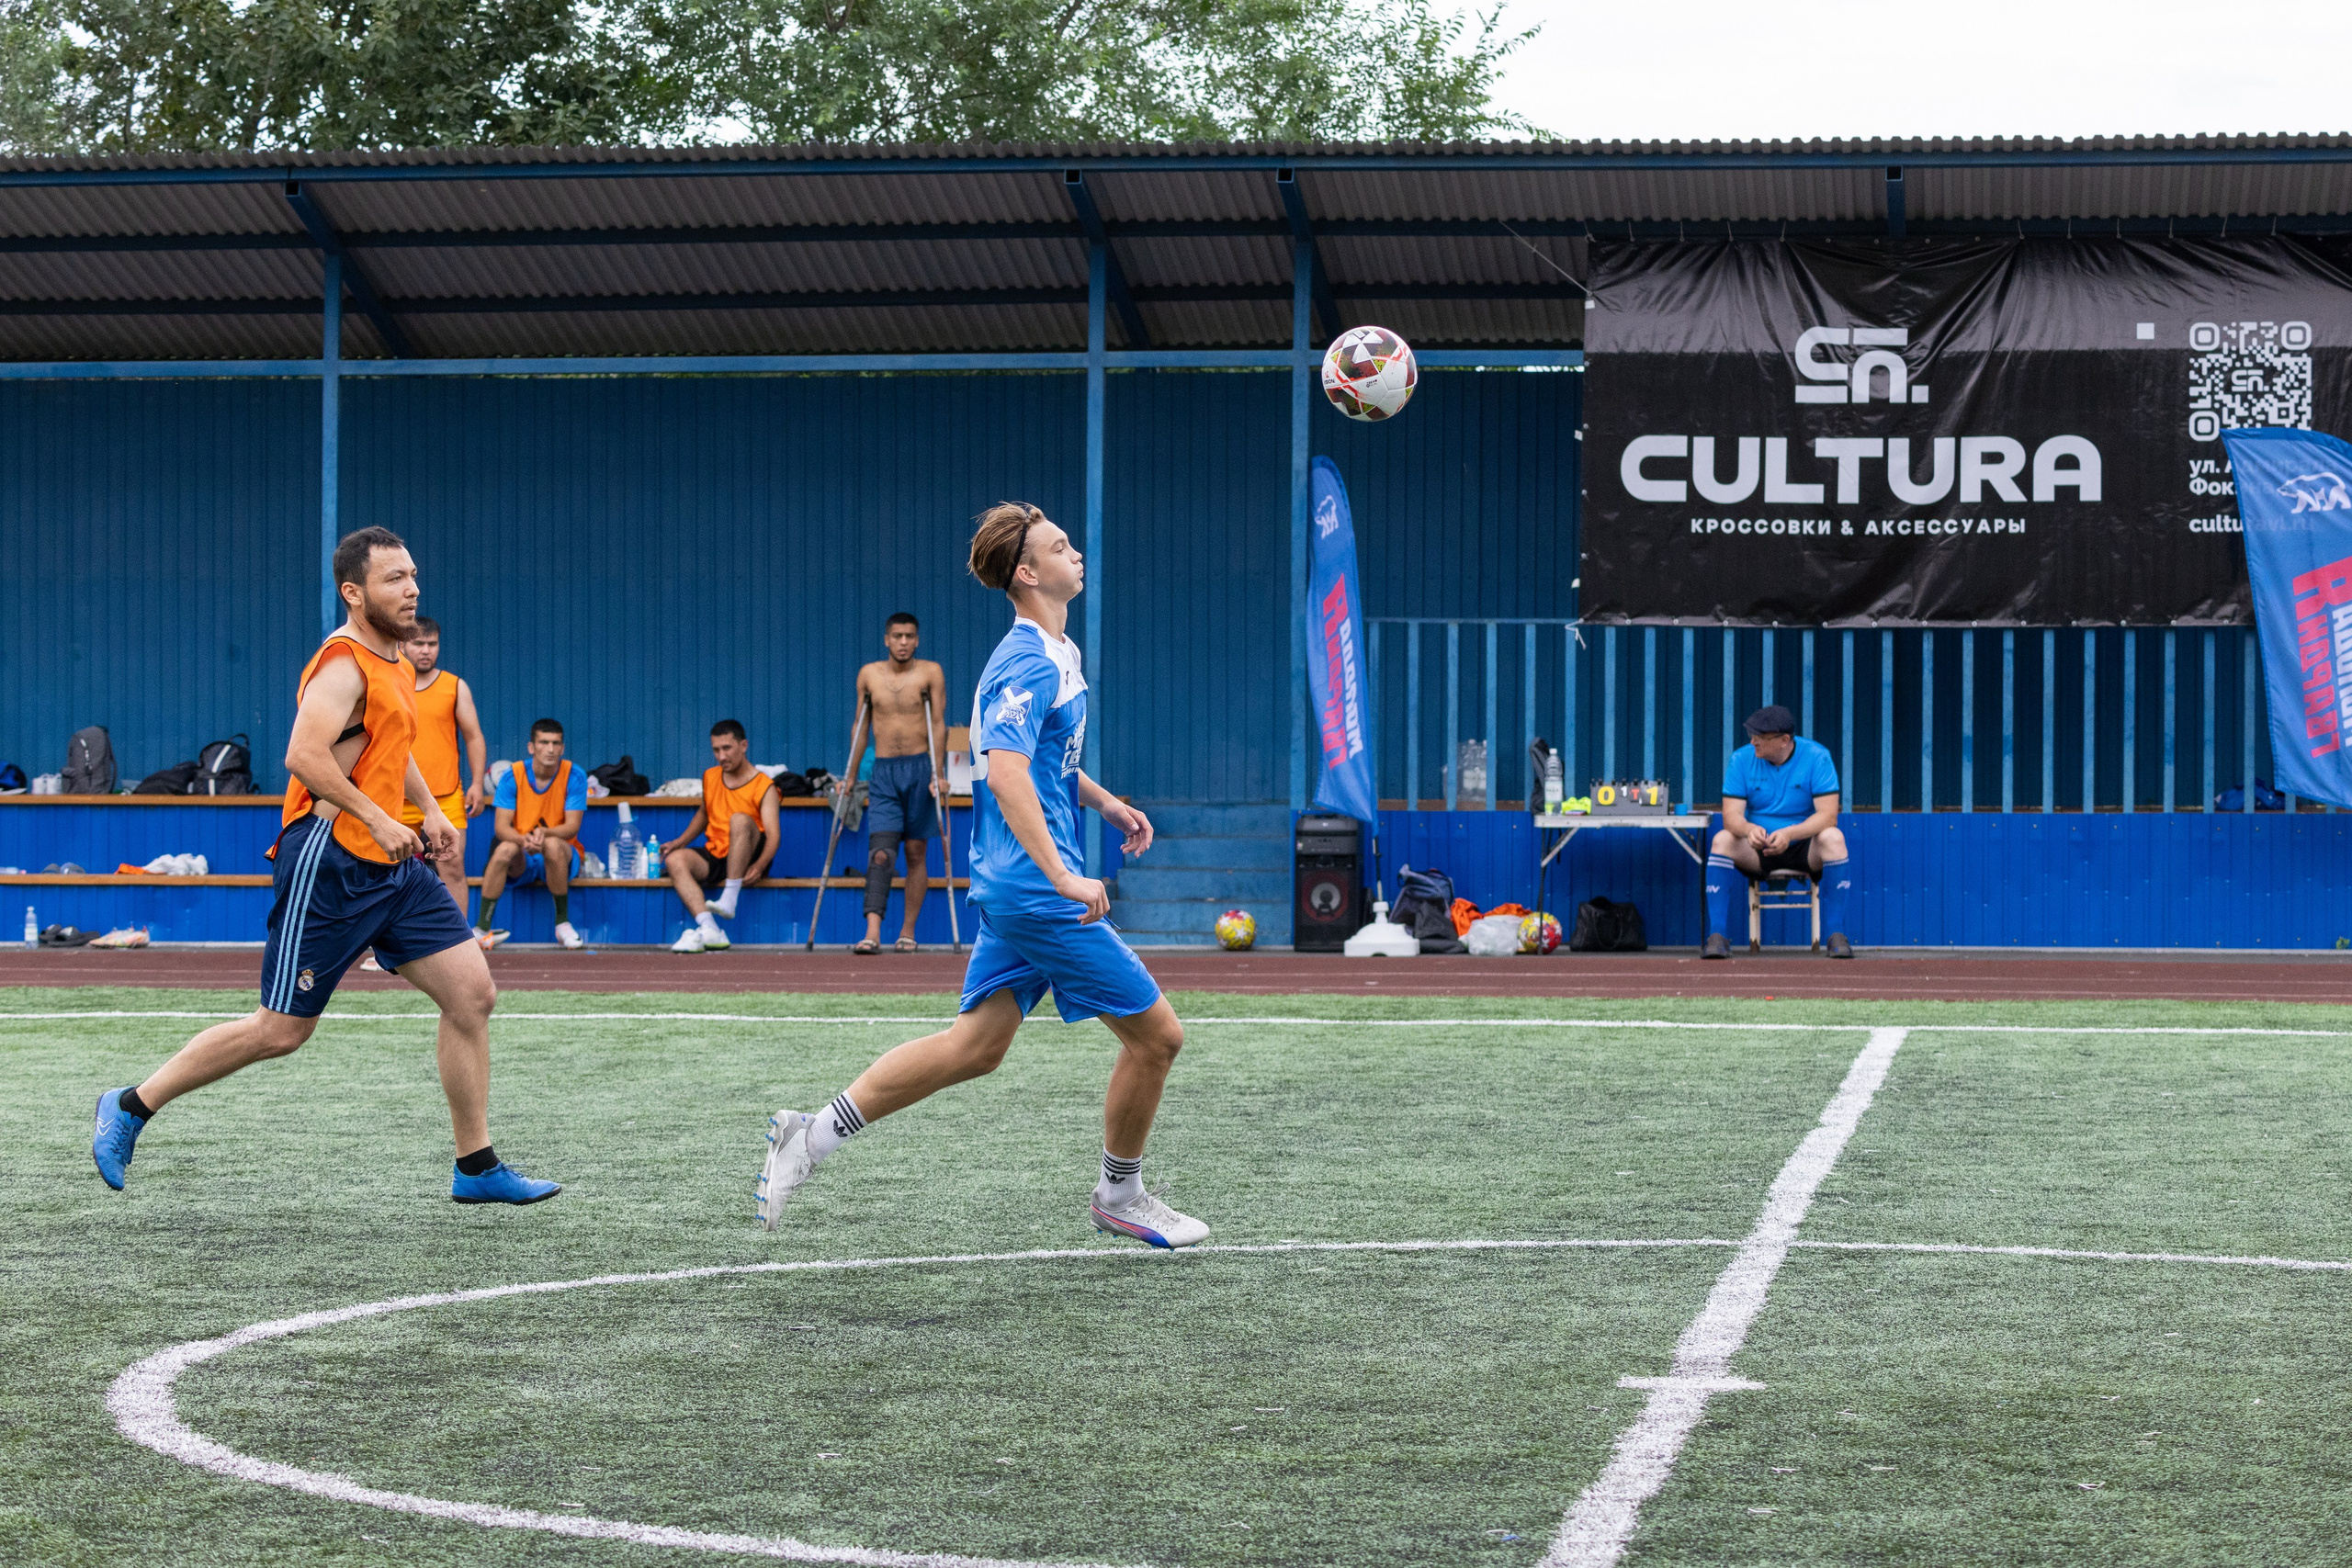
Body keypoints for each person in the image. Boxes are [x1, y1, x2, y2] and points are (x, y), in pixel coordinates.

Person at [755, 502, 1202, 1249]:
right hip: (1035, 891)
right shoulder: (1026, 660)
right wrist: (1063, 876)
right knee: (1158, 1038)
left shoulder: (1058, 651)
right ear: (1027, 573)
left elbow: (1048, 761)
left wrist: (1105, 802)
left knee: (975, 1046)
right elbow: (1004, 772)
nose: (1076, 553)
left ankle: (812, 1134)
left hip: (1013, 886)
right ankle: (1120, 1193)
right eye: (1061, 546)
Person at [89, 526, 559, 1205]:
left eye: (413, 575)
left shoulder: (396, 661)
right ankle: (130, 1105)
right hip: (329, 859)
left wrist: (428, 810)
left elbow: (394, 747)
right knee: (281, 1030)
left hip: (393, 867)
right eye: (395, 578)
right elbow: (303, 757)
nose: (412, 588)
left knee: (472, 995)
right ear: (353, 591)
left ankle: (477, 1166)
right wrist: (379, 818)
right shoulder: (342, 664)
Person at [358, 616, 485, 971]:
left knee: (452, 865)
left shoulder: (455, 686)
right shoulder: (389, 680)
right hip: (392, 795)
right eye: (419, 644)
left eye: (432, 644)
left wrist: (477, 783)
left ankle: (458, 945)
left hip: (444, 795)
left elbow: (473, 736)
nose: (426, 651)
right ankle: (385, 949)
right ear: (403, 644)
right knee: (384, 869)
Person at [1702, 704, 1854, 960]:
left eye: (1760, 736)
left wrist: (1790, 834)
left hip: (1804, 847)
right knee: (1722, 839)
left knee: (1834, 838)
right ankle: (1717, 936)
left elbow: (1828, 816)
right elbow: (1731, 817)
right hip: (1758, 848)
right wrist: (1749, 829)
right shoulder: (1741, 759)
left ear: (1784, 740)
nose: (1753, 741)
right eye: (1752, 734)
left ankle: (1836, 934)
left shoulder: (1817, 756)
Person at [851, 611, 949, 954]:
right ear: (887, 640)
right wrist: (850, 776)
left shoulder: (930, 672)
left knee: (916, 851)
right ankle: (872, 932)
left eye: (909, 636)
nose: (903, 642)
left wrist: (938, 773)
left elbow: (938, 724)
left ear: (916, 640)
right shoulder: (869, 674)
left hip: (920, 768)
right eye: (897, 636)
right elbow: (861, 726)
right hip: (884, 772)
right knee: (881, 852)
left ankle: (907, 931)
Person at [658, 719, 781, 953]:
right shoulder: (710, 776)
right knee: (675, 860)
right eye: (716, 750)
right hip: (717, 851)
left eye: (727, 748)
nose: (721, 756)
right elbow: (704, 813)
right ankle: (709, 927)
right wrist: (679, 842)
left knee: (739, 819)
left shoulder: (765, 786)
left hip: (750, 856)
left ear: (743, 745)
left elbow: (774, 836)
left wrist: (760, 865)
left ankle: (729, 898)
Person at [475, 718, 587, 953]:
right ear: (531, 747)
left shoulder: (574, 775)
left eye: (556, 743)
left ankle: (563, 924)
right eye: (544, 742)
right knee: (504, 848)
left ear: (562, 748)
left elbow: (572, 827)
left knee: (553, 845)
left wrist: (544, 834)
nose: (550, 749)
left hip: (561, 852)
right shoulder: (513, 775)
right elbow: (501, 828)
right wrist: (524, 839)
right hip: (523, 853)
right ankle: (482, 929)